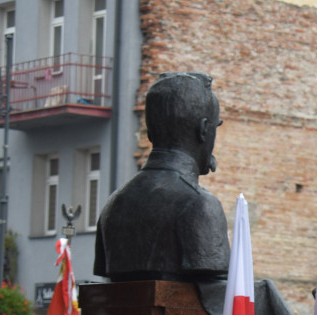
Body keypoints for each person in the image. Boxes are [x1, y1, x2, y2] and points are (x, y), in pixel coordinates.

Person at [94, 71, 230, 282]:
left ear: (150, 133)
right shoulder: (199, 204)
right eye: (215, 126)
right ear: (203, 130)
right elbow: (216, 298)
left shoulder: (114, 204)